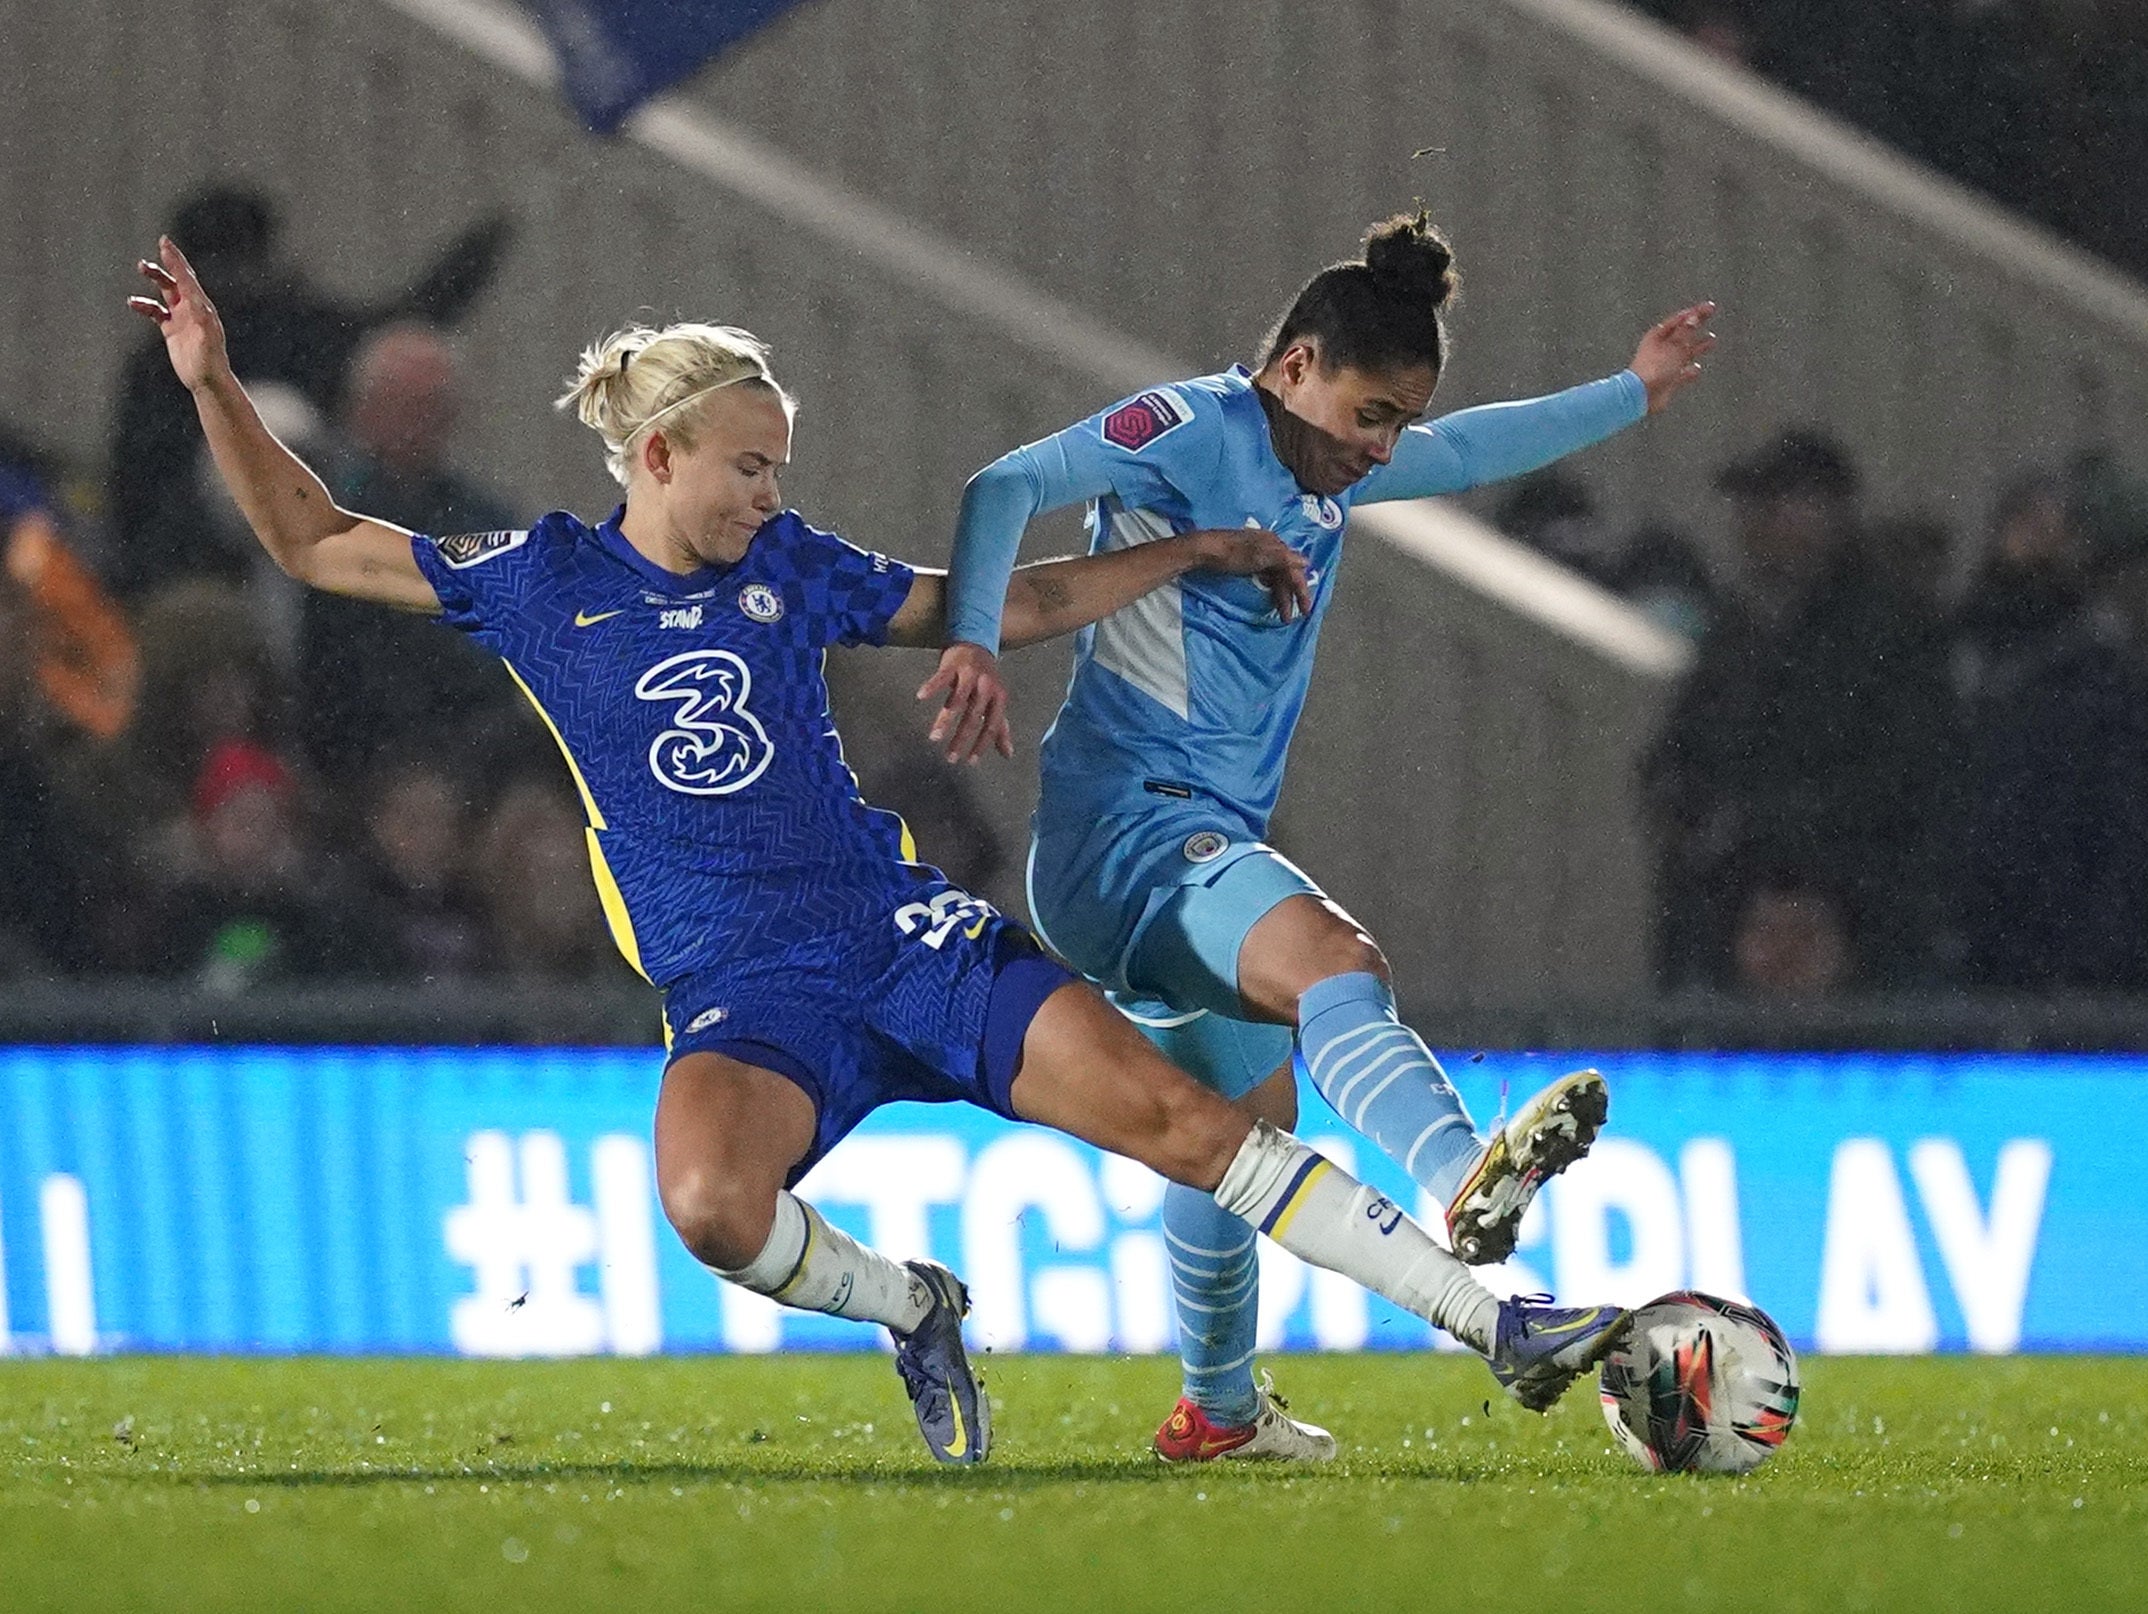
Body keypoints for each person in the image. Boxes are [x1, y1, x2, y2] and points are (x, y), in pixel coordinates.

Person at [132, 236, 1636, 1464]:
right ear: (656, 454)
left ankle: (1500, 1320)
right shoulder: (537, 581)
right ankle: (914, 1303)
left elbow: (997, 602)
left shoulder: (793, 566)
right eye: (750, 467)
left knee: (1188, 1124)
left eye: (780, 466)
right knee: (714, 1209)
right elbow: (316, 540)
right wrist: (212, 384)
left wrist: (1187, 550)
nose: (773, 494)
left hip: (900, 936)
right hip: (741, 991)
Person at [928, 212, 1715, 1461]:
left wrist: (1634, 389)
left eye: (1397, 421)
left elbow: (1467, 449)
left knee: (1238, 1141)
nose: (1383, 448)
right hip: (1128, 831)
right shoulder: (1192, 432)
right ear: (1295, 366)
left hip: (1184, 839)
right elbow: (1006, 484)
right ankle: (1462, 1173)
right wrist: (974, 634)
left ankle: (1221, 1413)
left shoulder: (1331, 463)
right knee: (1336, 964)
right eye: (1371, 416)